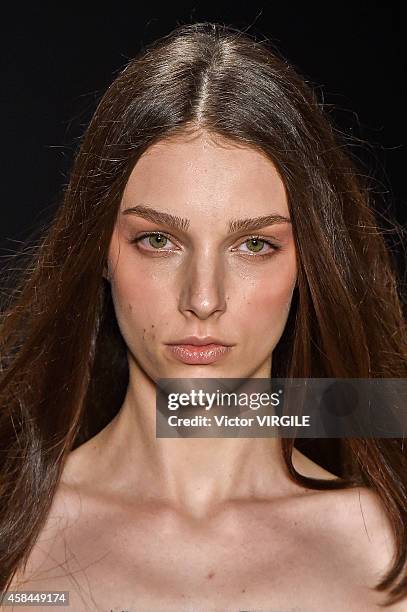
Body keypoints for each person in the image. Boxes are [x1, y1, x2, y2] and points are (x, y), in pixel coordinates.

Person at [1, 21, 406, 611]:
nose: (204, 297)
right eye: (159, 240)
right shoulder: (14, 535)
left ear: (308, 263)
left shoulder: (384, 557)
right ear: (102, 252)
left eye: (254, 245)